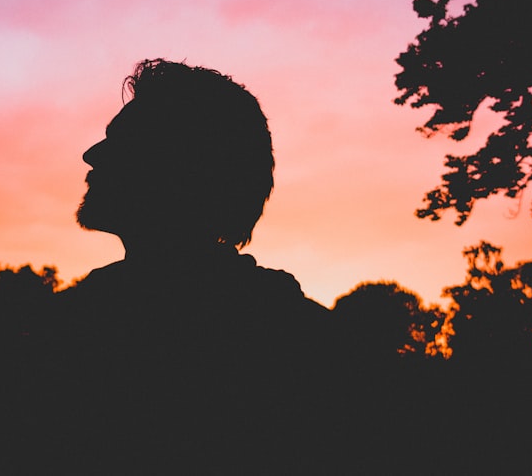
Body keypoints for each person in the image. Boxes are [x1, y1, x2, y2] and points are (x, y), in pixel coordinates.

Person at [51, 59, 333, 472]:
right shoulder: (308, 339)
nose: (91, 155)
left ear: (181, 169)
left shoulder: (71, 338)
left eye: (123, 142)